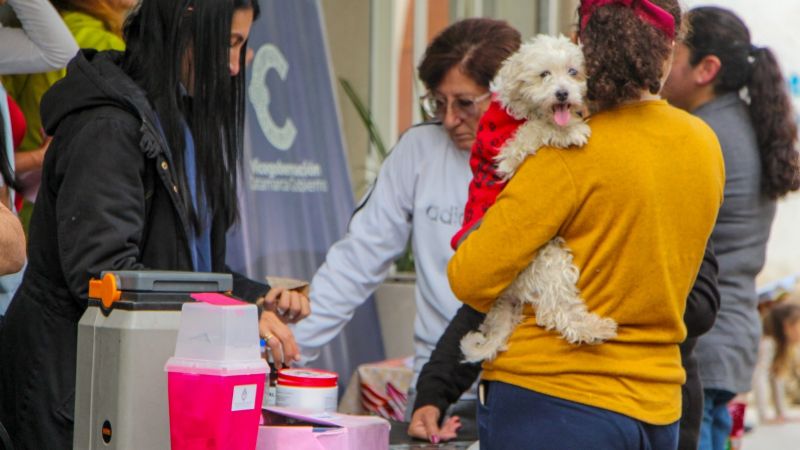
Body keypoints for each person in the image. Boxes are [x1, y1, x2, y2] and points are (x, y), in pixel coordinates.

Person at [0, 1, 310, 449]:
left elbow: (190, 271)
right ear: (181, 24)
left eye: (243, 47)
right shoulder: (108, 124)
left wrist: (256, 298)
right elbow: (105, 275)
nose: (233, 65)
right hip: (70, 400)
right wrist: (239, 318)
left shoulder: (179, 121)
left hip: (130, 389)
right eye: (228, 43)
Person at [447, 0, 725, 448]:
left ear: (584, 48)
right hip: (658, 404)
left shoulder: (564, 152)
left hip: (553, 399)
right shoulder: (703, 144)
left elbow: (470, 276)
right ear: (668, 50)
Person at [290, 18, 521, 441]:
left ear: (506, 97)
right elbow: (357, 260)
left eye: (465, 103)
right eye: (438, 103)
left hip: (519, 388)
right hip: (435, 388)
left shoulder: (540, 160)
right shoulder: (418, 150)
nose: (449, 120)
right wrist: (290, 349)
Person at [411, 242, 720, 449]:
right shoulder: (566, 181)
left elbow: (702, 307)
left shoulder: (678, 184)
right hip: (558, 408)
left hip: (656, 406)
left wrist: (599, 289)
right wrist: (433, 394)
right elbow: (491, 302)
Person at [661, 7, 800, 450]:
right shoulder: (743, 125)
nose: (661, 67)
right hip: (730, 340)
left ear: (707, 68)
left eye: (671, 53)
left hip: (701, 346)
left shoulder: (702, 135)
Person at [2, 0, 133, 227]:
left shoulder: (21, 36)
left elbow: (60, 51)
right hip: (66, 202)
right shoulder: (104, 44)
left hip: (28, 207)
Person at [753, 299, 800, 425]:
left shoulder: (779, 346)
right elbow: (759, 377)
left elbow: (777, 377)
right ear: (787, 326)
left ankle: (779, 412)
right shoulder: (767, 343)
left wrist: (781, 413)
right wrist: (763, 416)